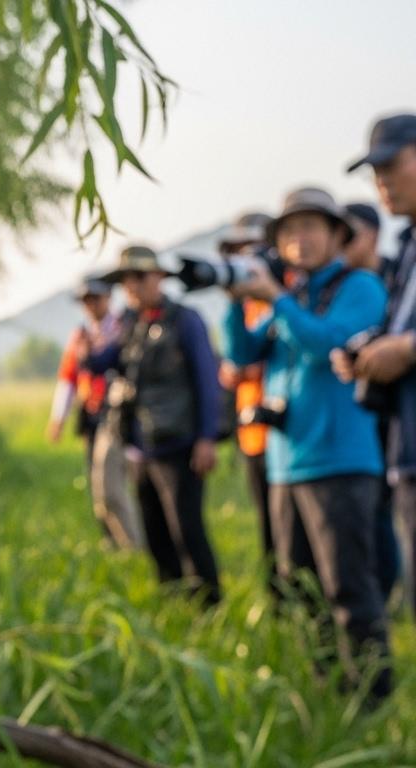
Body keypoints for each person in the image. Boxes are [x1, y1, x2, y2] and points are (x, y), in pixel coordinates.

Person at [227, 187, 391, 702]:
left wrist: (274, 298)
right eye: (289, 230)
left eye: (312, 227)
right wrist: (239, 303)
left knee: (349, 587)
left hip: (340, 463)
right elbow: (241, 355)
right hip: (285, 465)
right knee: (299, 586)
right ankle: (326, 688)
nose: (300, 239)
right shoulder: (289, 297)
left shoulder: (360, 287)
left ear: (337, 235)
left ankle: (372, 698)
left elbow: (327, 345)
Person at [92, 245, 222, 604]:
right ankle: (173, 602)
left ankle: (209, 606)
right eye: (124, 280)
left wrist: (207, 438)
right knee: (155, 532)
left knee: (188, 531)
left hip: (180, 445)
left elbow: (207, 381)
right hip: (140, 448)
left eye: (138, 277)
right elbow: (100, 362)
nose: (130, 286)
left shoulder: (185, 319)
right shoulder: (129, 323)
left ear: (158, 277)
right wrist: (97, 337)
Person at [336, 113, 416, 617]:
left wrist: (408, 350)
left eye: (391, 164)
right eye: (375, 171)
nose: (382, 181)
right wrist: (369, 353)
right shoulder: (407, 248)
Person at [213, 212, 281, 595]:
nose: (245, 261)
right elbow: (233, 365)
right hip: (252, 429)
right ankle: (279, 601)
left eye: (253, 251)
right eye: (238, 253)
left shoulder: (281, 297)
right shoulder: (247, 307)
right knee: (268, 525)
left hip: (286, 431)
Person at [47, 277, 140, 547]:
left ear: (108, 298)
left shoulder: (124, 329)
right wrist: (58, 419)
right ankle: (113, 540)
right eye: (86, 301)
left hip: (121, 414)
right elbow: (68, 379)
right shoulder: (81, 336)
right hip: (92, 416)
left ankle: (134, 540)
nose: (91, 306)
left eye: (95, 299)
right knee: (98, 481)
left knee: (121, 480)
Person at [341, 201, 403, 601]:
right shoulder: (339, 285)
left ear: (374, 235)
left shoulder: (398, 275)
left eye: (352, 234)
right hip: (366, 409)